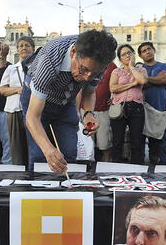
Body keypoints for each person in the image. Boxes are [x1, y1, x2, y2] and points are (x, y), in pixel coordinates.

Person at [21, 30, 117, 173]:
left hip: (66, 101)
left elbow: (89, 92)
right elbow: (32, 117)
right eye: (83, 70)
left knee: (68, 153)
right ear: (73, 52)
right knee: (41, 156)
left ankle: (67, 192)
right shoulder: (50, 61)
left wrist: (88, 115)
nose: (86, 78)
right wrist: (48, 150)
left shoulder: (98, 63)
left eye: (93, 74)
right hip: (37, 101)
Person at [109, 44, 148, 164]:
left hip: (136, 107)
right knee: (117, 140)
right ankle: (116, 167)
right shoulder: (116, 71)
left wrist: (131, 66)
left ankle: (137, 167)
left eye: (129, 52)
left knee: (137, 141)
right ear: (120, 59)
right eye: (124, 54)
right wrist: (131, 84)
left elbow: (142, 81)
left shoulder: (141, 70)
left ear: (133, 54)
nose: (127, 55)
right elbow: (112, 88)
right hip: (119, 107)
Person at [0, 37, 34, 165]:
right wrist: (19, 89)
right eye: (21, 46)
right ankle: (19, 177)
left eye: (27, 45)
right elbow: (2, 90)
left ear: (33, 49)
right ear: (18, 50)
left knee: (33, 147)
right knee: (16, 148)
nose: (24, 48)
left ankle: (33, 175)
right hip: (15, 111)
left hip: (33, 112)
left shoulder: (39, 68)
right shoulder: (11, 69)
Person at [138, 42, 166, 164]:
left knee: (161, 138)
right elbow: (139, 84)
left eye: (149, 49)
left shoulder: (163, 66)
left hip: (159, 107)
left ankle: (164, 165)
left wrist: (146, 80)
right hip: (142, 107)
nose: (147, 52)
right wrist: (154, 79)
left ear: (154, 50)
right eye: (144, 51)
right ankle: (147, 166)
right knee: (142, 138)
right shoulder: (139, 69)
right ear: (141, 55)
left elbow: (164, 79)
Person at [92, 62, 117, 162]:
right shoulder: (87, 59)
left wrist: (114, 97)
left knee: (105, 141)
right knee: (88, 139)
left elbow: (117, 82)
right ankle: (89, 164)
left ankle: (105, 164)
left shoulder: (112, 66)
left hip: (103, 109)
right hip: (86, 110)